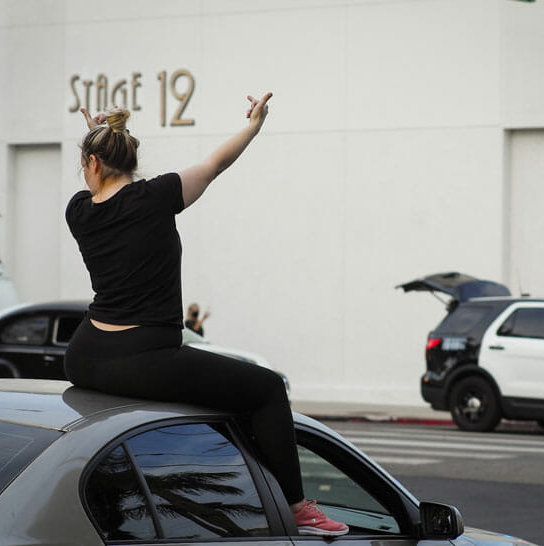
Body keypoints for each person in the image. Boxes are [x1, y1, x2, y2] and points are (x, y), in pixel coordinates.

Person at [63, 95, 348, 537]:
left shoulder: (78, 211)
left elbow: (95, 182)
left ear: (93, 163)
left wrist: (95, 135)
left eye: (84, 163)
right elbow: (216, 163)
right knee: (268, 389)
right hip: (144, 356)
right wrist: (253, 126)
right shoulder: (156, 197)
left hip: (83, 356)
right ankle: (295, 507)